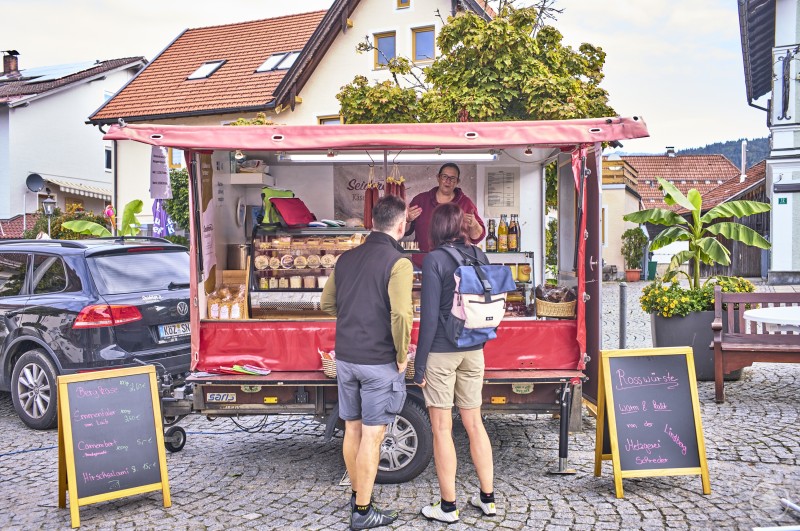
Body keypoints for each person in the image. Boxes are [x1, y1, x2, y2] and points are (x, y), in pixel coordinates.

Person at [320, 194, 414, 531]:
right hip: (378, 361)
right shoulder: (399, 262)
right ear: (401, 225)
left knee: (352, 430)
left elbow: (326, 304)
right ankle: (362, 510)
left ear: (373, 221)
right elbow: (402, 314)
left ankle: (358, 493)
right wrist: (402, 355)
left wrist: (353, 314)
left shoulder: (345, 259)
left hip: (345, 358)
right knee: (373, 436)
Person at [413, 202, 496, 524]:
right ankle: (487, 498)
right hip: (475, 349)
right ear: (461, 227)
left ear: (437, 229)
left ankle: (448, 507)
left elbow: (430, 316)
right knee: (475, 424)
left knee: (442, 428)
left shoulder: (434, 260)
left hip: (442, 352)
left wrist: (419, 365)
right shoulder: (480, 255)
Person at [405, 163, 485, 268]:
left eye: (452, 178)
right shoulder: (420, 200)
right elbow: (405, 232)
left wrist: (474, 224)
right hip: (422, 264)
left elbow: (477, 238)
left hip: (455, 265)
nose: (448, 181)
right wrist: (407, 219)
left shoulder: (466, 203)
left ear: (457, 182)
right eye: (445, 177)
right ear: (438, 178)